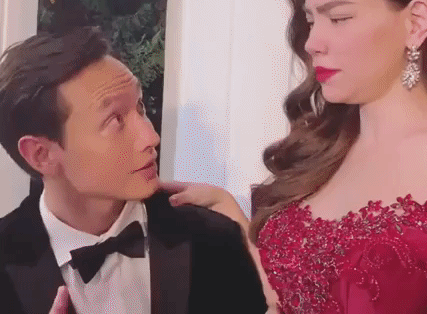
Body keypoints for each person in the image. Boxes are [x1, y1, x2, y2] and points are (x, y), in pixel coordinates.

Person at [163, 0, 427, 314]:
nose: (313, 42)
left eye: (339, 18)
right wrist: (237, 231)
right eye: (311, 20)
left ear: (416, 22)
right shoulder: (323, 149)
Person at [0, 27, 268, 314]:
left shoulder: (213, 239)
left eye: (139, 107)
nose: (151, 137)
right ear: (41, 155)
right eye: (115, 120)